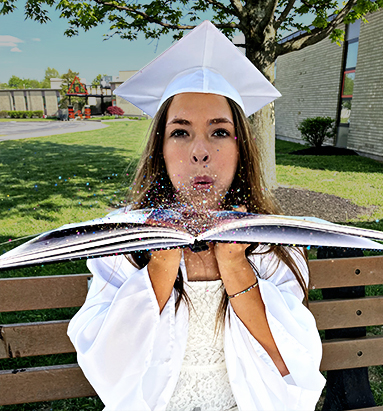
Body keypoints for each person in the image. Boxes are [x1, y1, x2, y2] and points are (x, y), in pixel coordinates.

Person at [67, 21, 326, 410]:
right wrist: (159, 260)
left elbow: (293, 369)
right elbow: (108, 371)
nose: (200, 152)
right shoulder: (121, 238)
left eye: (219, 132)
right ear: (161, 147)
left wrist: (236, 264)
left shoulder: (275, 242)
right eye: (181, 132)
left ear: (242, 149)